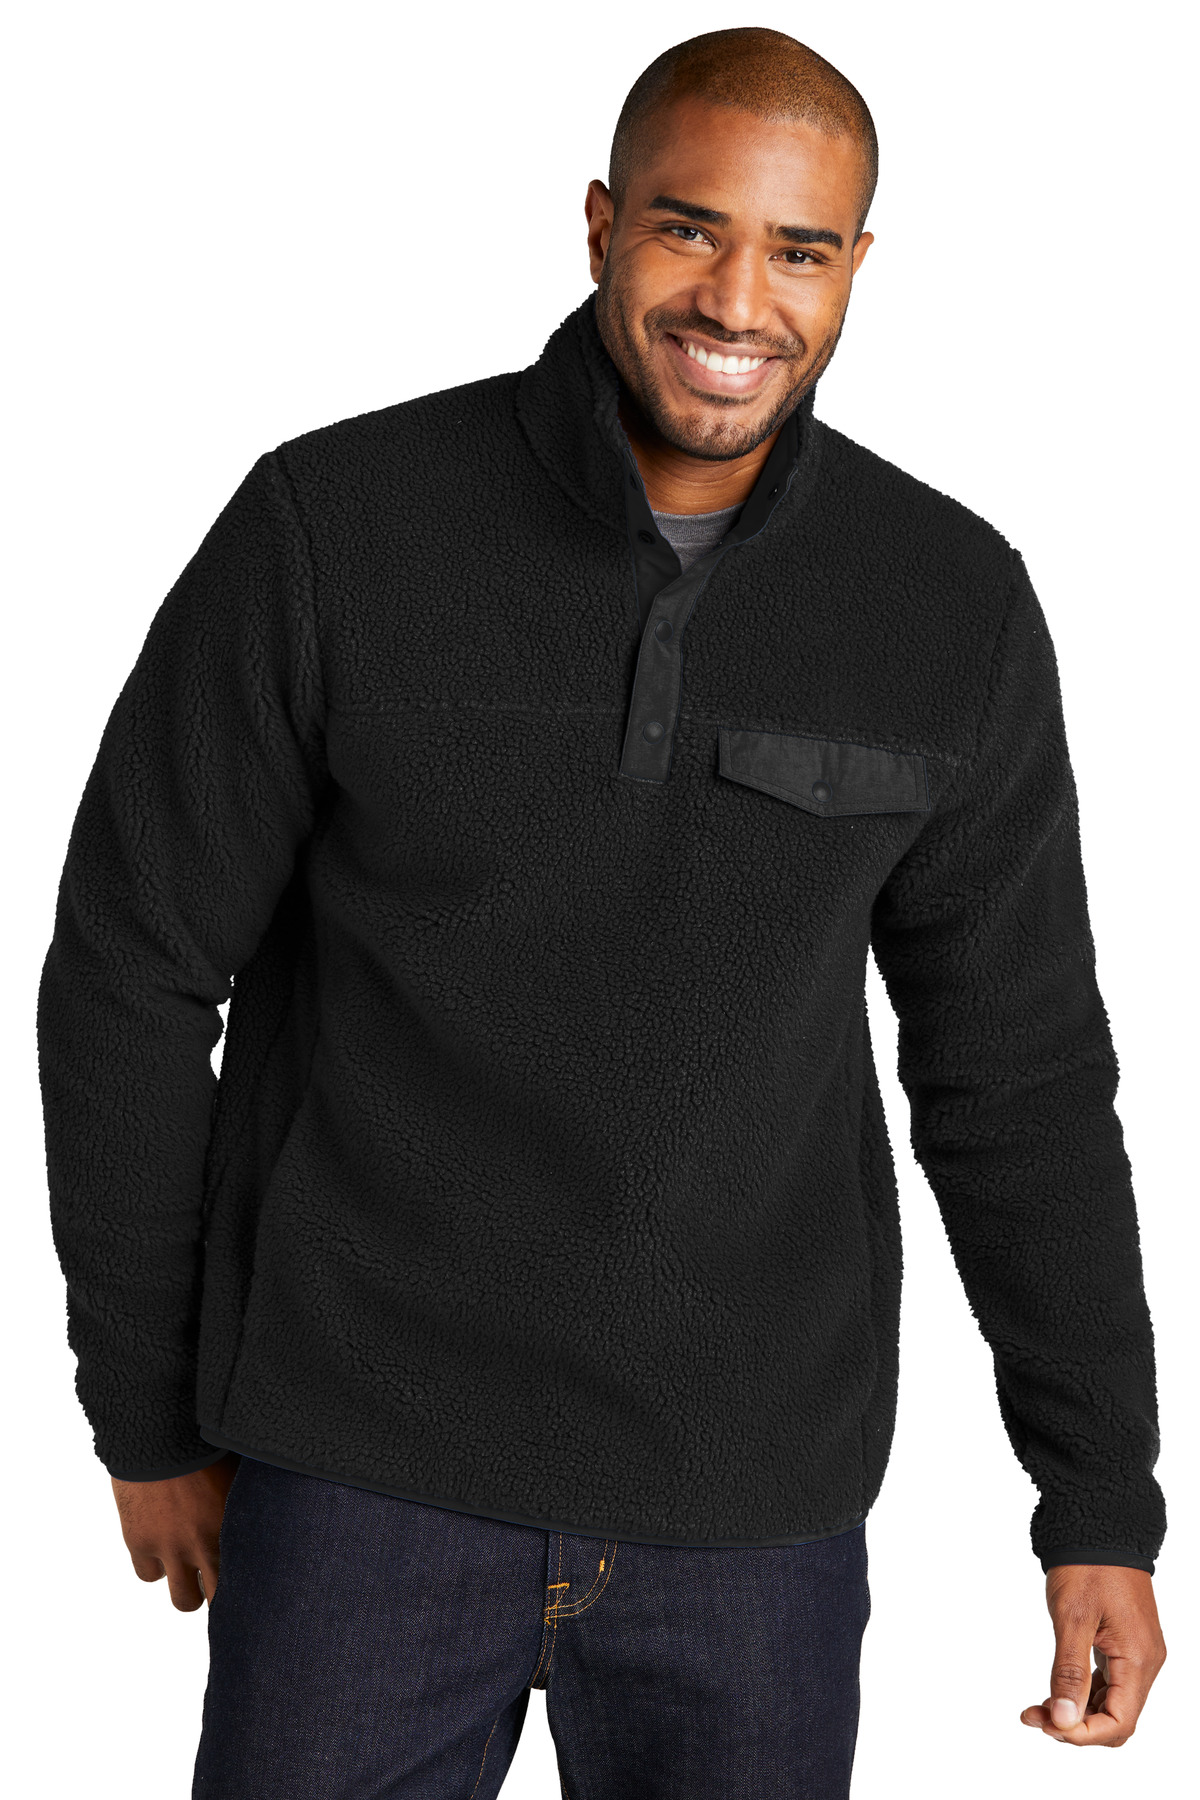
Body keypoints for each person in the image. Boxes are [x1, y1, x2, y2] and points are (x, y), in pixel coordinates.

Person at [37, 26, 1167, 1797]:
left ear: (858, 267)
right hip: (359, 1475)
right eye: (689, 228)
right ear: (598, 224)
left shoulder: (949, 603)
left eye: (800, 250)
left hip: (754, 1519)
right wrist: (145, 1409)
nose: (738, 300)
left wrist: (1098, 1499)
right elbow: (132, 968)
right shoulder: (335, 526)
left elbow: (1015, 1077)